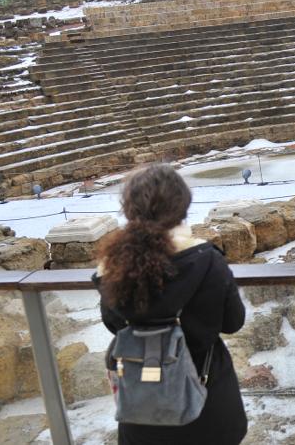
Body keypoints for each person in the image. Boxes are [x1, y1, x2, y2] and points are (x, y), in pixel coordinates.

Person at [93, 163, 247, 445]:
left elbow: (114, 324)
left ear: (130, 210)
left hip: (144, 412)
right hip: (208, 406)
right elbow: (233, 322)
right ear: (181, 206)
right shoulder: (207, 260)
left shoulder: (111, 269)